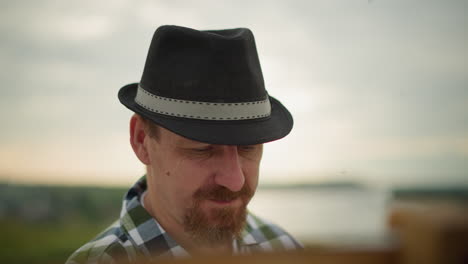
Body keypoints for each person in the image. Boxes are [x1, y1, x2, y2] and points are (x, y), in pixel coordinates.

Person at [66, 25, 302, 264]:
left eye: (248, 147)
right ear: (142, 141)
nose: (234, 180)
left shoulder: (285, 250)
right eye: (202, 149)